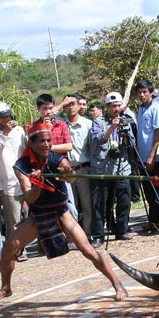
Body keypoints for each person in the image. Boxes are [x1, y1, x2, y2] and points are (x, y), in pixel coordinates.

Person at [0, 123, 128, 303]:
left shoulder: (57, 158)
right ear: (31, 143)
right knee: (8, 249)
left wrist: (67, 173)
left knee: (87, 249)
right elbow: (30, 199)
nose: (46, 145)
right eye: (42, 142)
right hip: (38, 214)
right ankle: (6, 287)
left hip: (61, 211)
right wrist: (38, 183)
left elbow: (69, 177)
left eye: (49, 141)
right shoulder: (21, 165)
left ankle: (117, 283)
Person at [89, 92, 136, 247]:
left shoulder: (126, 120)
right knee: (100, 203)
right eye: (113, 106)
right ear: (107, 107)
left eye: (118, 105)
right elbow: (98, 139)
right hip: (102, 168)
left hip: (121, 166)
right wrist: (112, 127)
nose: (116, 109)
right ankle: (98, 235)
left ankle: (122, 230)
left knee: (124, 200)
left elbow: (132, 143)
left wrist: (126, 135)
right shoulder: (98, 121)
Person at [0, 102, 28, 261]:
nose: (6, 120)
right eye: (2, 118)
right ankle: (16, 250)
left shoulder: (19, 131)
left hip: (25, 177)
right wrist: (5, 134)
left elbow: (26, 148)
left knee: (30, 216)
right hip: (9, 182)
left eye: (7, 116)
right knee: (14, 220)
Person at [28, 94, 78, 220]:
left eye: (50, 108)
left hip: (62, 170)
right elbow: (32, 150)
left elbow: (68, 146)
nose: (48, 112)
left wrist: (48, 148)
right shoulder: (33, 128)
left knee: (69, 206)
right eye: (45, 109)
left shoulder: (61, 124)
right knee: (47, 207)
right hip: (43, 172)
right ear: (38, 109)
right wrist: (46, 129)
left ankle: (72, 235)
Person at [63, 94, 94, 233]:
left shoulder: (88, 124)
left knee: (87, 205)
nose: (70, 107)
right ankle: (73, 237)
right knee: (70, 206)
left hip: (84, 169)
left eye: (73, 103)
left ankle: (87, 234)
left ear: (78, 105)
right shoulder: (61, 125)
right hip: (66, 171)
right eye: (67, 104)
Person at [134, 79, 159, 225]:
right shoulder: (140, 108)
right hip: (142, 157)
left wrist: (152, 155)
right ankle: (152, 220)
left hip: (153, 158)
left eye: (145, 91)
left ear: (150, 92)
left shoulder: (155, 108)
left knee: (155, 190)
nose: (142, 94)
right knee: (147, 191)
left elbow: (158, 132)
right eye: (139, 92)